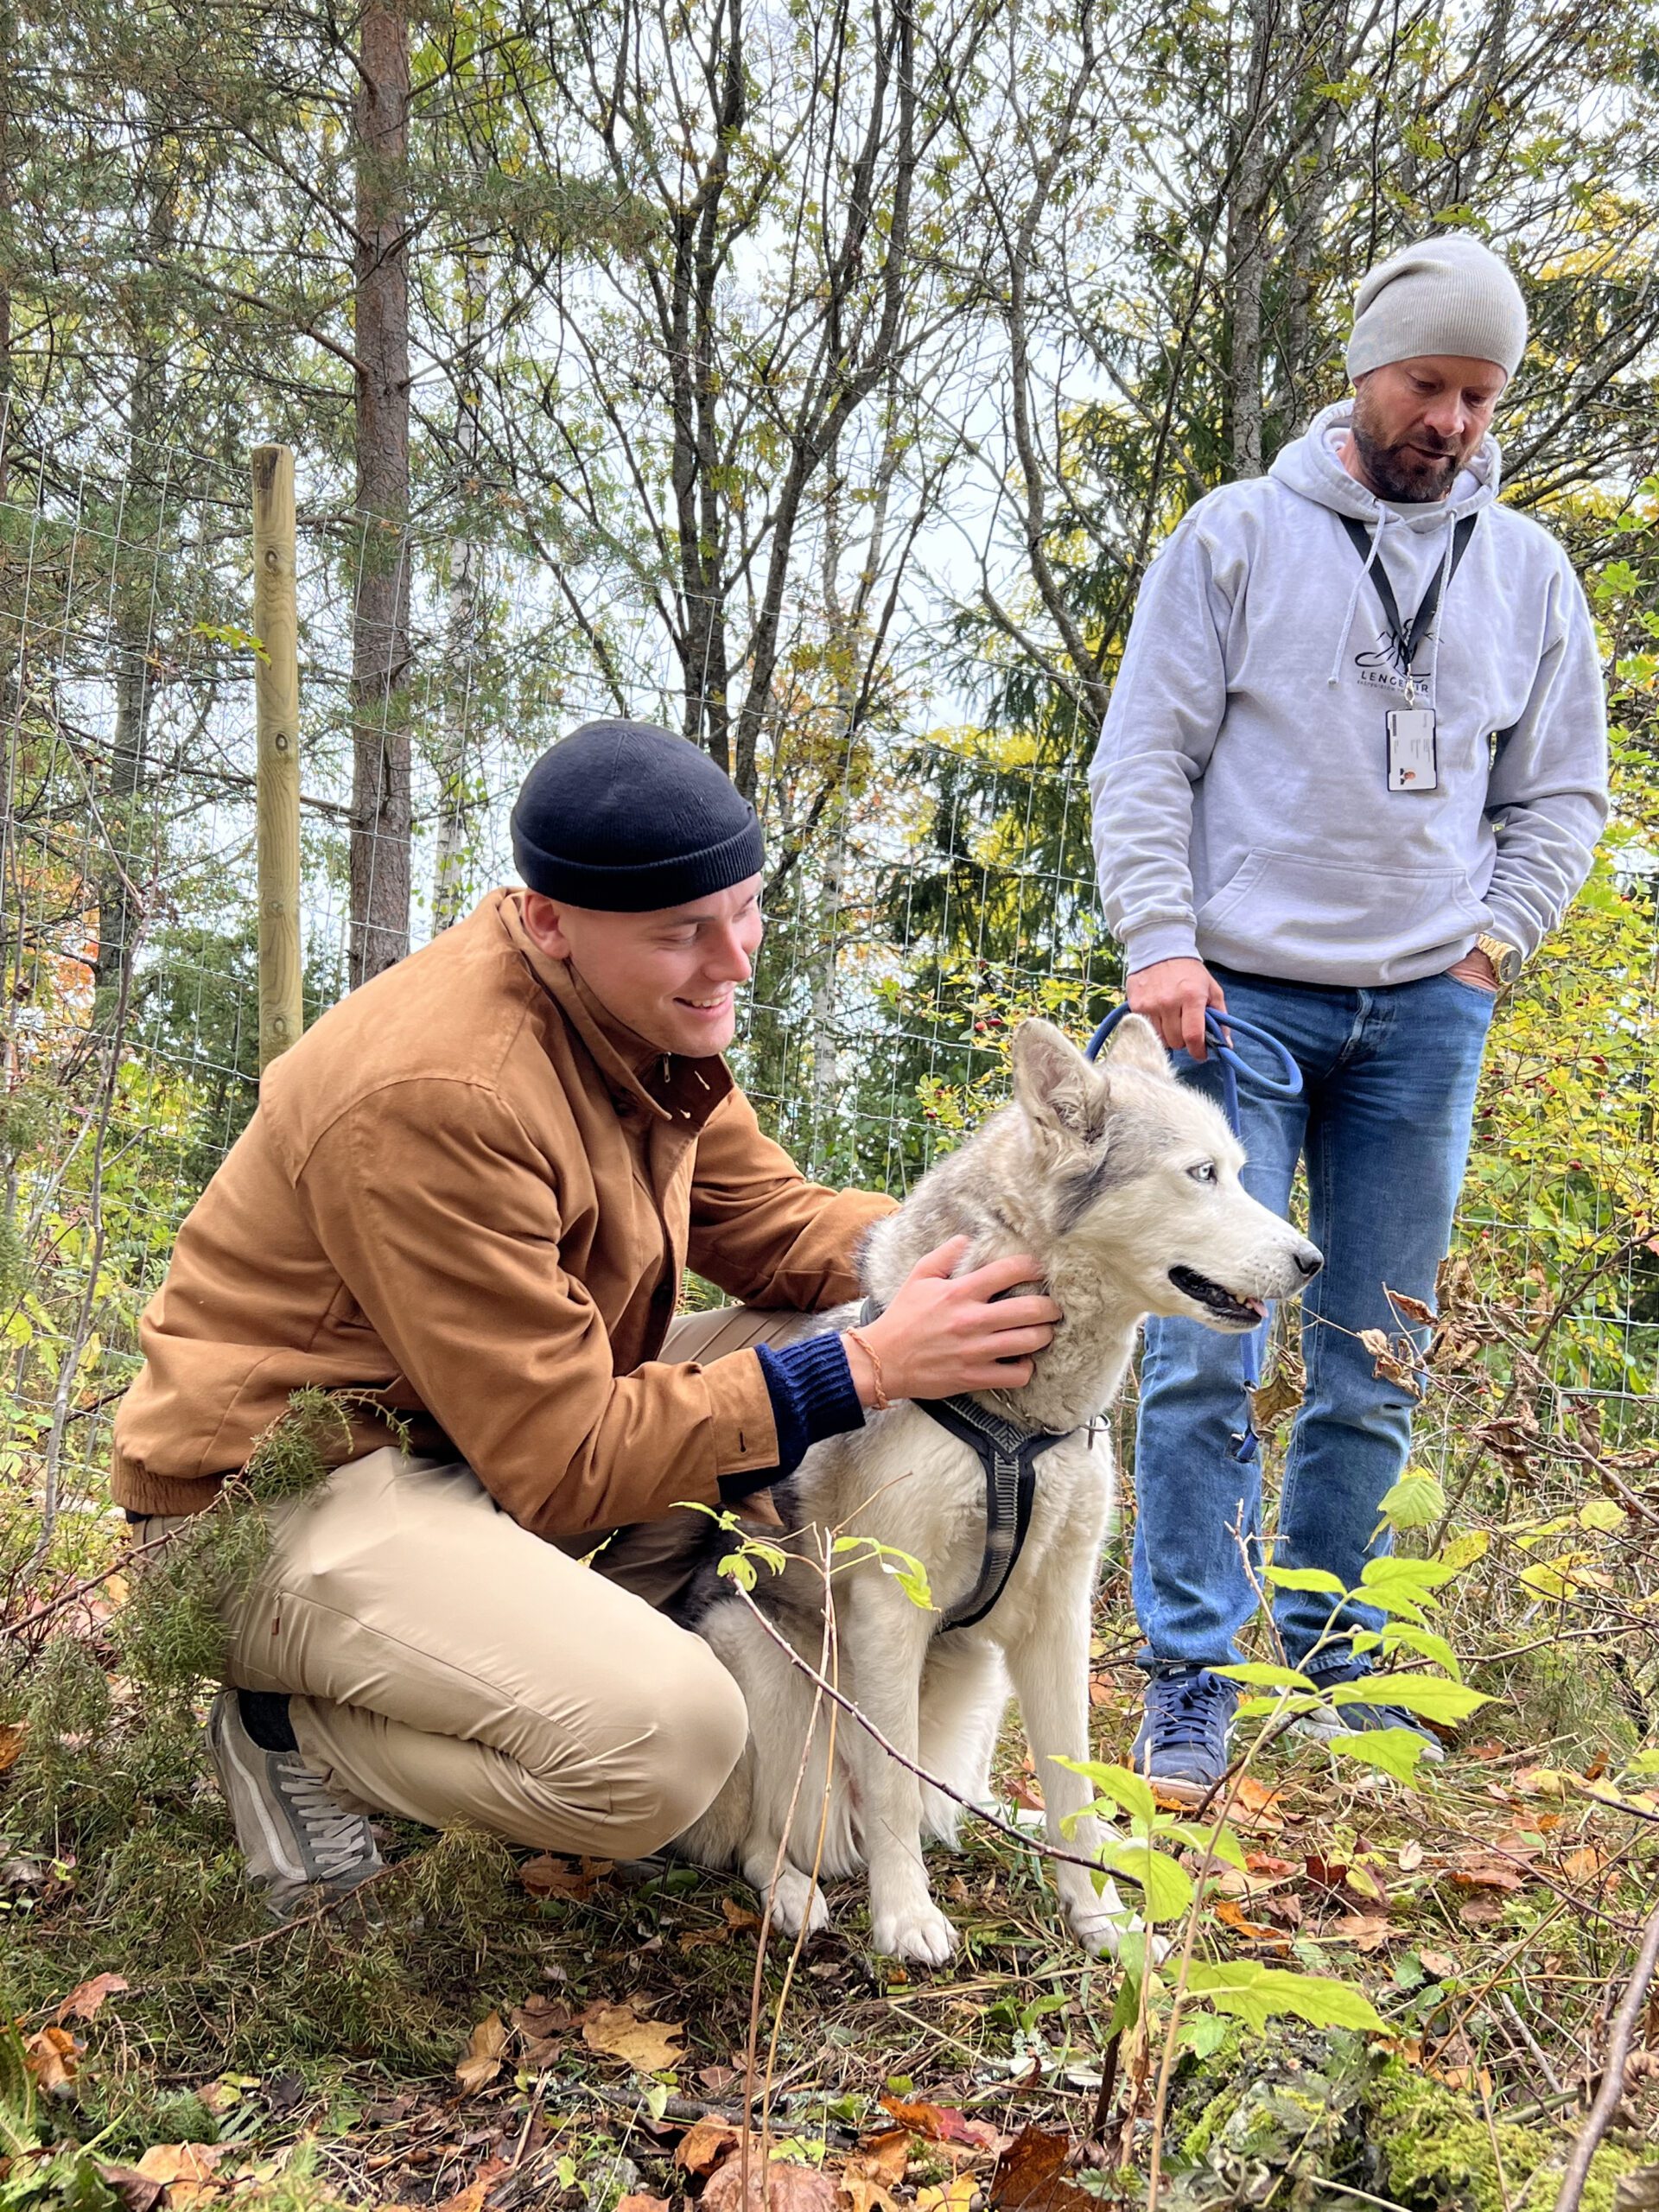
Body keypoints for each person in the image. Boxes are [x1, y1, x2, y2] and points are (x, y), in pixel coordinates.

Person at [113, 719, 1060, 1911]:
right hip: (282, 1500)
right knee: (665, 1742)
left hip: (467, 1453)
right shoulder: (446, 1095)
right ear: (550, 920)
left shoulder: (635, 1019)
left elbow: (769, 1220)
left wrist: (976, 1265)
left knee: (819, 1344)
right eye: (684, 933)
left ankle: (711, 1711)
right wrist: (871, 1363)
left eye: (747, 909)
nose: (736, 961)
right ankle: (299, 1740)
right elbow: (563, 1461)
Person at [1087, 233, 1609, 1799]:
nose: (1451, 418)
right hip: (1230, 1006)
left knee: (1375, 1356)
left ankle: (1323, 1656)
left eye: (1480, 391)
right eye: (1428, 382)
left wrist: (1491, 952)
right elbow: (1144, 757)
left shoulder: (1528, 572)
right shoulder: (1238, 538)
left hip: (1424, 1021)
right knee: (1199, 1354)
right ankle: (1192, 1676)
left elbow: (1562, 790)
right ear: (1368, 369)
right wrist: (1161, 944)